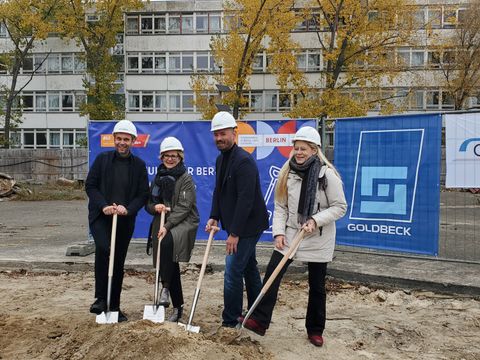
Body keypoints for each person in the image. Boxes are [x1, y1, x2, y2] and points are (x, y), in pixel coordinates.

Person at [239, 126, 347, 347]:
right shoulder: (287, 171)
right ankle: (259, 320)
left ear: (315, 150)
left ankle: (315, 330)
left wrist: (316, 220)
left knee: (316, 285)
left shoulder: (327, 175)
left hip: (318, 236)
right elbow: (280, 206)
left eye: (304, 149)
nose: (299, 152)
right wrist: (278, 232)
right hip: (291, 233)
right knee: (272, 276)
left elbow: (339, 207)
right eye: (296, 148)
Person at [205, 111, 269, 328]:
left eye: (223, 133)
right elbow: (219, 191)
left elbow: (246, 200)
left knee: (232, 272)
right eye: (216, 134)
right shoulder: (221, 159)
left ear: (234, 133)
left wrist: (234, 234)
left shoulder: (244, 161)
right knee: (249, 267)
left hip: (248, 226)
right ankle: (257, 313)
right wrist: (214, 216)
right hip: (237, 225)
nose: (219, 138)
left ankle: (230, 320)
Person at [85, 120, 149, 322]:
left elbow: (142, 194)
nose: (122, 143)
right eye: (119, 139)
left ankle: (114, 306)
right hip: (100, 217)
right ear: (114, 139)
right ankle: (100, 299)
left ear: (133, 141)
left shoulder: (138, 166)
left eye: (126, 139)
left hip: (124, 220)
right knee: (104, 250)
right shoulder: (102, 160)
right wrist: (104, 205)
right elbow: (91, 186)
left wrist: (127, 209)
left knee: (118, 261)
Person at [145, 136, 199, 322]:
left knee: (167, 243)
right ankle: (177, 307)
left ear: (180, 157)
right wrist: (155, 208)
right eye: (167, 156)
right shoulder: (158, 178)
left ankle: (165, 287)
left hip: (183, 222)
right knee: (168, 260)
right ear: (161, 157)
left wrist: (168, 225)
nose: (170, 159)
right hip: (162, 220)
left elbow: (185, 206)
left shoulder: (185, 178)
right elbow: (149, 203)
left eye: (174, 156)